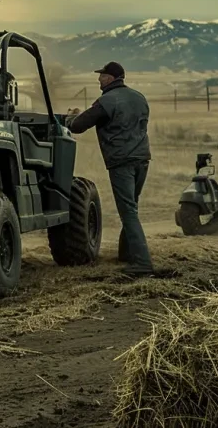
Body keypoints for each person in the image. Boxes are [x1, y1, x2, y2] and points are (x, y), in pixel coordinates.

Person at [65, 61, 153, 276]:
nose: (99, 79)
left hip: (121, 161)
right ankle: (127, 254)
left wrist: (70, 117)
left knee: (128, 212)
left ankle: (142, 264)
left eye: (102, 75)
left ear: (112, 77)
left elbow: (78, 126)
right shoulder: (139, 97)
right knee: (132, 206)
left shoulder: (107, 101)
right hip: (142, 159)